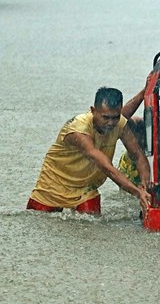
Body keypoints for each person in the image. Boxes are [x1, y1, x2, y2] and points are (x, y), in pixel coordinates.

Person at [27, 87, 151, 215]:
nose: (110, 123)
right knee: (38, 221)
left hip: (85, 189)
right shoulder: (79, 130)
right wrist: (137, 192)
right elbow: (106, 167)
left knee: (92, 226)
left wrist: (144, 185)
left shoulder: (120, 125)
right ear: (93, 111)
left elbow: (139, 156)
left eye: (115, 117)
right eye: (106, 118)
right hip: (53, 185)